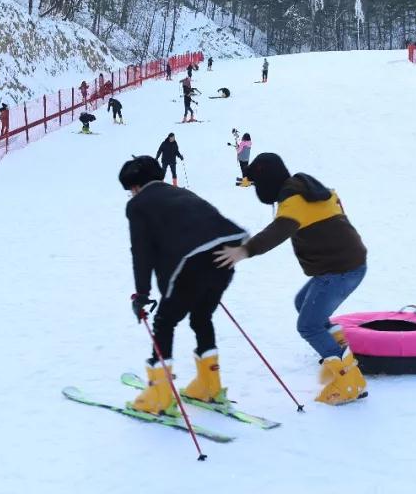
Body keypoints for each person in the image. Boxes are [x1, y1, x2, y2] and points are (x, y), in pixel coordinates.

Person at [214, 153, 368, 405]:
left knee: (308, 325)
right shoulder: (312, 190)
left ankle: (349, 381)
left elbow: (277, 232)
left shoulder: (293, 200)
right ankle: (338, 351)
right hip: (347, 265)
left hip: (339, 271)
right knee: (302, 303)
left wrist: (243, 251)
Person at [120, 156, 247, 414]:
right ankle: (209, 386)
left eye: (130, 189)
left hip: (190, 266)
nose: (131, 194)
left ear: (135, 185)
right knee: (201, 317)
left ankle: (159, 396)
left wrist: (142, 294)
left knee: (164, 322)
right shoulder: (182, 193)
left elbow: (141, 251)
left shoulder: (138, 205)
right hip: (224, 258)